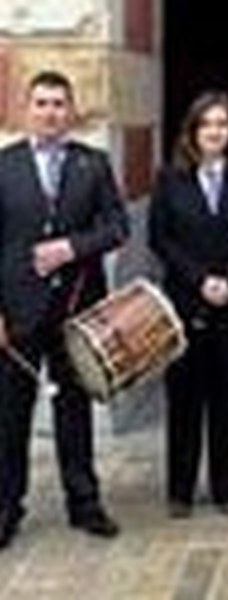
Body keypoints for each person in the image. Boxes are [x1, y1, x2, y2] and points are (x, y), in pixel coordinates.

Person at [0, 70, 129, 549]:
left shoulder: (93, 164)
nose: (51, 112)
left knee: (74, 410)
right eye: (42, 103)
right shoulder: (4, 165)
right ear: (26, 109)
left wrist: (71, 247)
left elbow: (117, 227)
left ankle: (84, 503)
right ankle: (6, 508)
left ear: (71, 111)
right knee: (9, 416)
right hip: (16, 313)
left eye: (59, 103)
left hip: (77, 311)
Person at [149, 91, 228, 518]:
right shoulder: (169, 179)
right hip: (185, 302)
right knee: (184, 398)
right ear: (193, 131)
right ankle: (180, 491)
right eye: (207, 124)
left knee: (227, 398)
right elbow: (160, 239)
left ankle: (224, 488)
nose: (215, 132)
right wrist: (201, 279)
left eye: (223, 124)